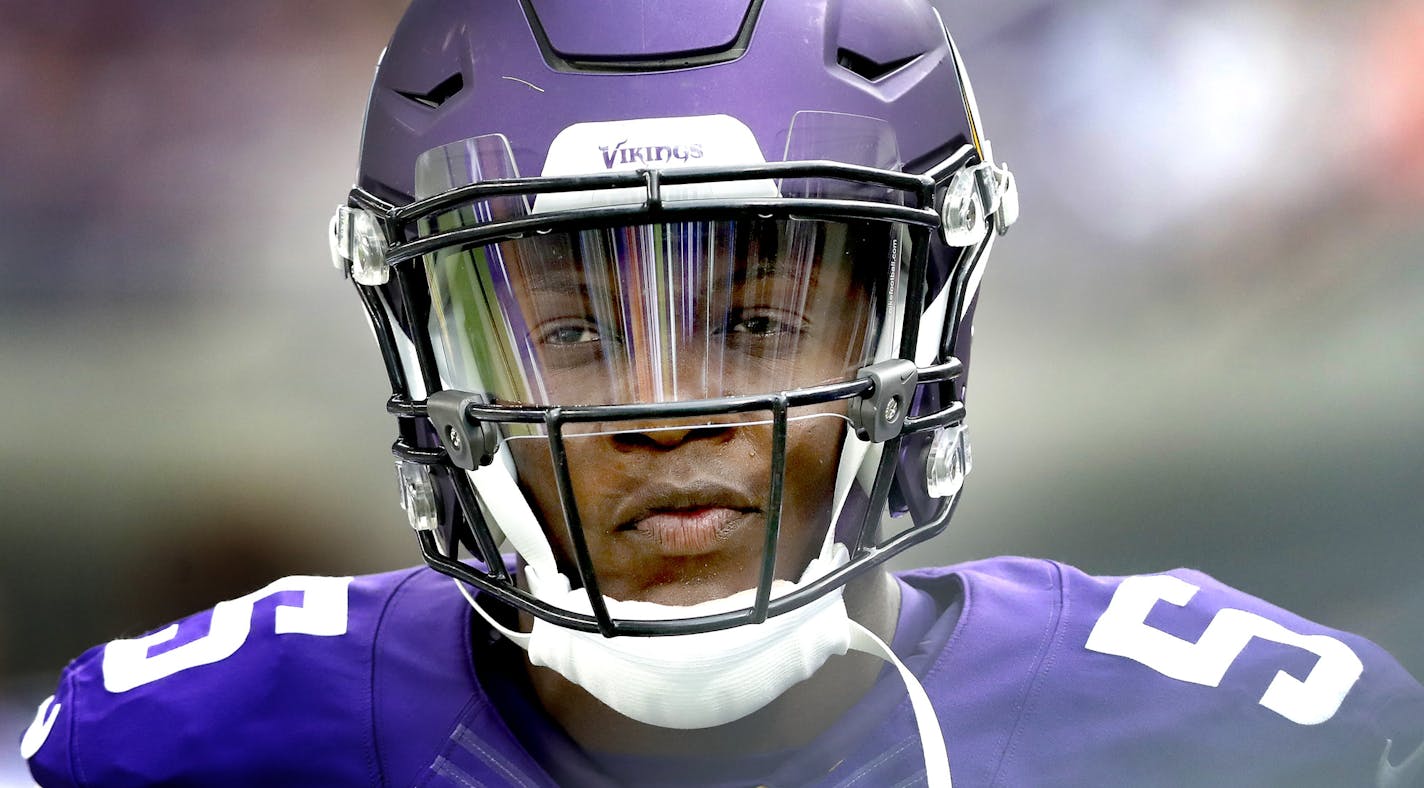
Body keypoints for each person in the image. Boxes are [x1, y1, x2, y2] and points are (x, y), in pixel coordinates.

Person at [20, 1, 1424, 785]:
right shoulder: (207, 746)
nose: (663, 414)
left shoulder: (1227, 734)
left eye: (753, 318)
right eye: (572, 334)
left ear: (915, 313)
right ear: (435, 357)